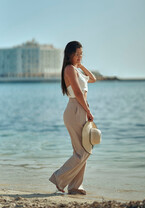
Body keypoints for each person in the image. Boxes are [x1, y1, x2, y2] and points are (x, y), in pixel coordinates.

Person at [49, 41, 96, 195]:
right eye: (76, 54)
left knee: (84, 149)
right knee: (83, 152)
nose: (79, 56)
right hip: (76, 109)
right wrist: (88, 111)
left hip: (80, 109)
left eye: (81, 54)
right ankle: (59, 178)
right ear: (69, 55)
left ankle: (75, 187)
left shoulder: (76, 69)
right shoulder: (69, 69)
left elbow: (93, 78)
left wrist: (81, 65)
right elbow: (77, 92)